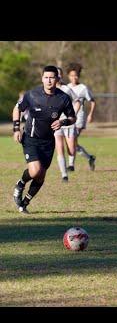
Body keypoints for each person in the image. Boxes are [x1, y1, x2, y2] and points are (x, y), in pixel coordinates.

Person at [12, 65, 76, 213]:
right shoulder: (32, 95)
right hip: (30, 138)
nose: (48, 81)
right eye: (46, 77)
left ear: (57, 79)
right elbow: (17, 109)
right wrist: (16, 129)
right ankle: (20, 184)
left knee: (41, 176)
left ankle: (24, 203)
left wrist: (63, 122)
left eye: (52, 77)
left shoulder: (63, 98)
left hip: (48, 141)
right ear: (42, 79)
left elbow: (72, 117)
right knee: (35, 171)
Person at [66, 62, 96, 171]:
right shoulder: (66, 87)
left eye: (76, 75)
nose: (74, 77)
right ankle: (90, 158)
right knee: (72, 143)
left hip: (79, 118)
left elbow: (92, 101)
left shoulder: (83, 88)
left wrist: (90, 114)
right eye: (72, 75)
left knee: (72, 140)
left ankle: (71, 165)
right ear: (68, 76)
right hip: (69, 118)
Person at [54, 67, 80, 182]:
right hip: (56, 125)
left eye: (59, 74)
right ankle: (64, 175)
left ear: (61, 76)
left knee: (71, 149)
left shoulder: (66, 89)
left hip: (68, 123)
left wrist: (72, 116)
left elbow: (78, 101)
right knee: (59, 148)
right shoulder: (48, 90)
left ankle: (71, 164)